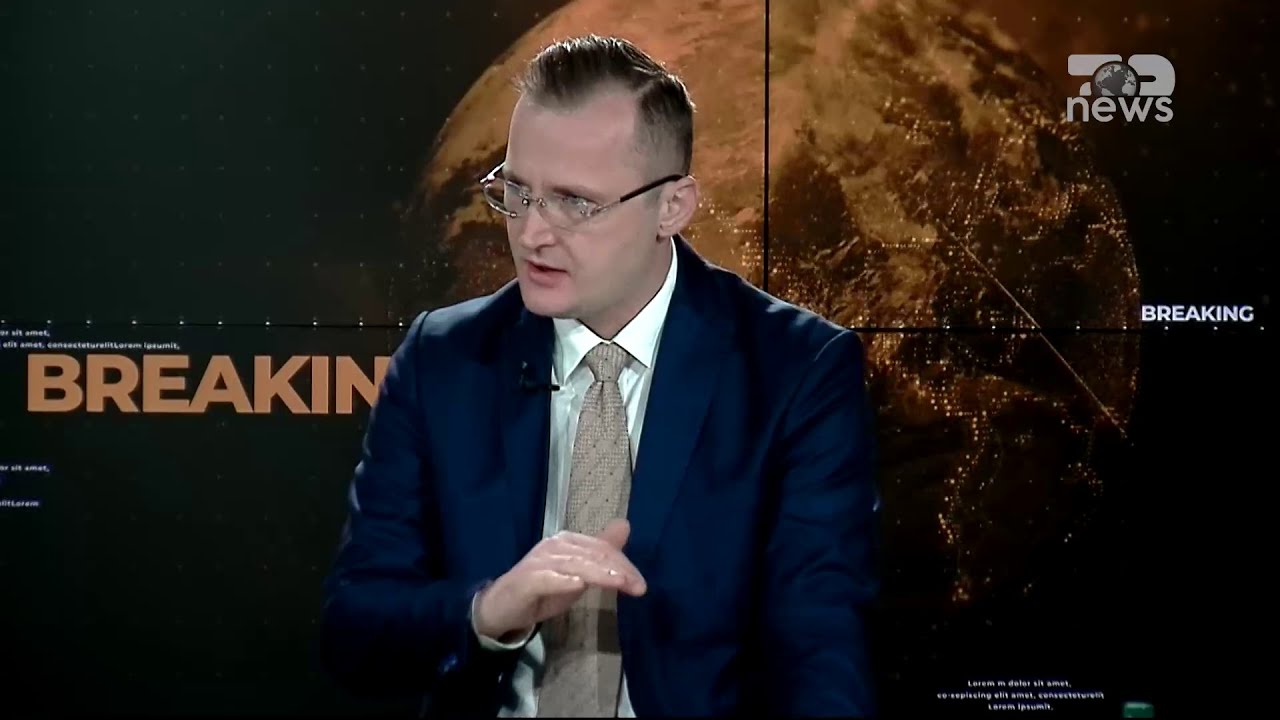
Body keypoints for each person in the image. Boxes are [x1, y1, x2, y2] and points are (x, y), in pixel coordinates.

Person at [319, 34, 880, 718]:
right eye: (517, 193)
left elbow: (821, 649)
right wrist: (490, 610)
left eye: (575, 203)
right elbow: (356, 627)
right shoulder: (445, 359)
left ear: (672, 207)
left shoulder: (795, 371)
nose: (532, 234)